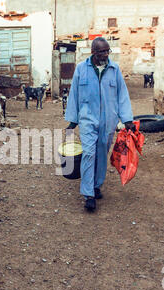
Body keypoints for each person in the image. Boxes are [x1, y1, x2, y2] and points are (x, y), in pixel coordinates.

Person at [64, 37, 136, 212]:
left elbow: (122, 95)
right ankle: (88, 194)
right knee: (89, 153)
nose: (105, 55)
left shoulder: (114, 69)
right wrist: (73, 120)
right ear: (93, 52)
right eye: (102, 52)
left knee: (102, 152)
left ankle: (97, 185)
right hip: (87, 118)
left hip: (108, 119)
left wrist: (127, 119)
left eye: (107, 51)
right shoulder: (81, 69)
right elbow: (74, 94)